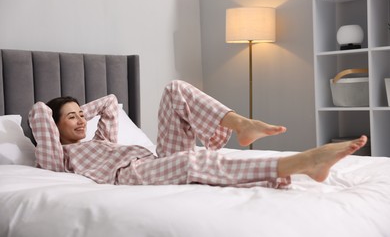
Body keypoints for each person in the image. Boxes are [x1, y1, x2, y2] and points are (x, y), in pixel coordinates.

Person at [28, 80, 367, 189]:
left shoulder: (100, 139)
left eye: (81, 115)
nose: (81, 120)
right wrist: (60, 116)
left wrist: (80, 111)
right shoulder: (59, 158)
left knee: (175, 89)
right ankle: (301, 163)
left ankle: (238, 124)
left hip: (153, 159)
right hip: (128, 176)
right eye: (71, 118)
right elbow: (38, 112)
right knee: (194, 162)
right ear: (53, 127)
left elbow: (112, 104)